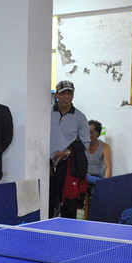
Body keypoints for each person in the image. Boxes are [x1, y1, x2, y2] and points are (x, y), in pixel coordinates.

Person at [49, 80, 88, 218]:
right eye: (63, 93)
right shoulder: (46, 112)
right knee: (46, 202)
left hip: (68, 166)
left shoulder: (80, 117)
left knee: (69, 205)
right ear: (56, 95)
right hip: (46, 165)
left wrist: (67, 152)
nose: (66, 97)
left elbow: (85, 143)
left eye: (69, 93)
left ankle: (68, 229)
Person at [84, 119, 112, 188]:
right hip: (84, 176)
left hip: (98, 177)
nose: (87, 135)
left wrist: (106, 183)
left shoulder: (105, 147)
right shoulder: (81, 144)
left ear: (98, 135)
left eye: (90, 132)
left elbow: (108, 167)